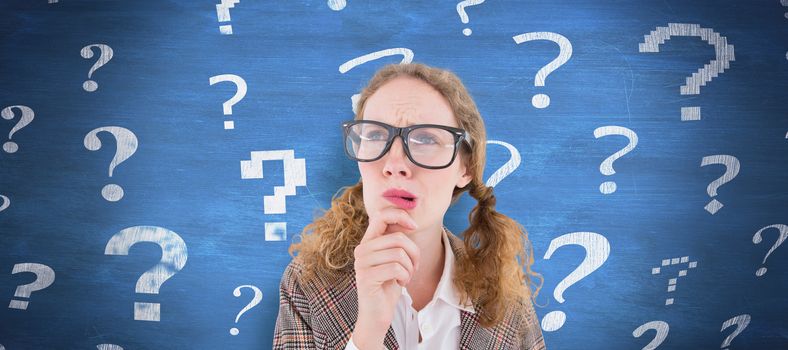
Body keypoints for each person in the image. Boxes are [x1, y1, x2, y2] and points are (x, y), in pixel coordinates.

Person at [273, 62, 545, 349]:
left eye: (426, 138)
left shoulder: (507, 298)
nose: (394, 165)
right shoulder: (308, 282)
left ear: (465, 167)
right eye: (376, 135)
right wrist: (368, 332)